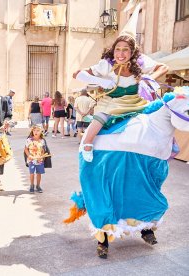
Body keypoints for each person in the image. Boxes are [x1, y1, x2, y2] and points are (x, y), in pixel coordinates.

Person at [72, 4, 169, 258]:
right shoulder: (106, 64)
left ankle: (164, 151)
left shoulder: (140, 62)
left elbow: (163, 69)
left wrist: (150, 78)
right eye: (118, 49)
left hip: (136, 105)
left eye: (126, 49)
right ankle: (89, 145)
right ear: (113, 50)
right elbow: (79, 73)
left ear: (132, 52)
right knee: (99, 118)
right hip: (111, 105)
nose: (122, 53)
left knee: (159, 120)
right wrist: (93, 77)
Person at [24, 124, 51, 193]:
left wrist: (41, 157)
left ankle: (38, 186)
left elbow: (43, 150)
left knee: (39, 173)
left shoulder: (42, 140)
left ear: (41, 131)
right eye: (34, 130)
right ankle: (32, 186)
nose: (36, 132)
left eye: (38, 130)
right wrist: (29, 155)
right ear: (32, 131)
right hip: (31, 160)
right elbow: (26, 149)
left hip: (39, 160)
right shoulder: (29, 140)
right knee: (32, 173)